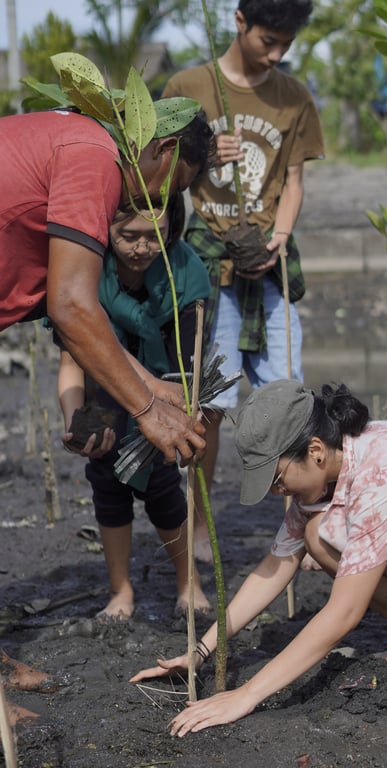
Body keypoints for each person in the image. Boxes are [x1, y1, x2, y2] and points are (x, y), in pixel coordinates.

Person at [131, 379, 387, 736]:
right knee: (319, 534)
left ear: (315, 451)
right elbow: (273, 569)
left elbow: (343, 613)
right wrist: (201, 651)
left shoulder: (386, 470)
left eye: (277, 480)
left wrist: (245, 695)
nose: (277, 491)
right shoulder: (328, 472)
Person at [0, 97, 216, 726]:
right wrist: (149, 405)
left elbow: (67, 313)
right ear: (165, 152)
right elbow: (73, 306)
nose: (157, 204)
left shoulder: (79, 143)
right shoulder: (95, 157)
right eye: (174, 185)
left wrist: (151, 384)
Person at [162, 0, 324, 561]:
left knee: (288, 396)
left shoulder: (295, 96)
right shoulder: (187, 86)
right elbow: (160, 177)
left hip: (269, 266)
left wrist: (279, 236)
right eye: (267, 41)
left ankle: (300, 528)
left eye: (285, 43)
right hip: (211, 266)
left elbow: (295, 181)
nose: (275, 54)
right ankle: (200, 527)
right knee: (209, 401)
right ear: (238, 21)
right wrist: (204, 156)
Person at [55, 193, 211, 620]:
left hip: (167, 389)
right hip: (102, 390)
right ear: (106, 229)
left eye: (153, 237)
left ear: (170, 231)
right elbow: (71, 360)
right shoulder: (87, 270)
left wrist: (182, 406)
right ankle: (120, 592)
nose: (141, 248)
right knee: (107, 484)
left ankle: (188, 584)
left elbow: (190, 362)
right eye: (128, 236)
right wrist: (74, 422)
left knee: (162, 485)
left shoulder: (184, 272)